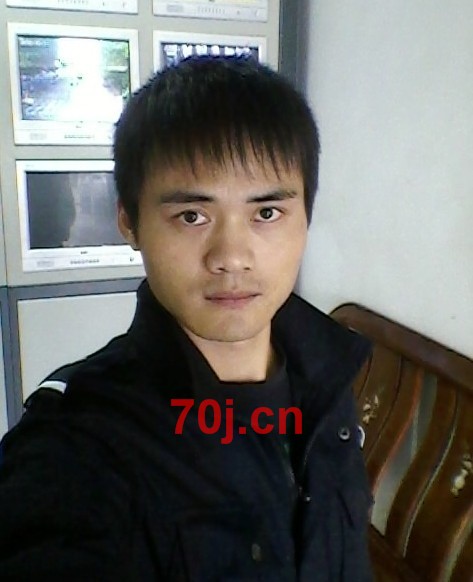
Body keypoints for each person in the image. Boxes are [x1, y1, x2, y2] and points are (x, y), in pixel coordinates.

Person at [0, 56, 373, 581]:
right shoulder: (76, 448)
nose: (231, 257)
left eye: (266, 213)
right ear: (129, 222)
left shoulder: (326, 381)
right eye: (192, 216)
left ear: (306, 218)